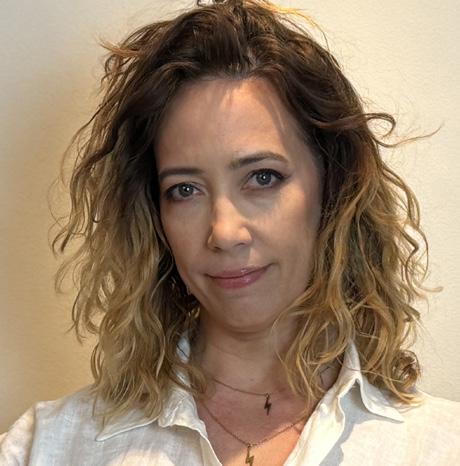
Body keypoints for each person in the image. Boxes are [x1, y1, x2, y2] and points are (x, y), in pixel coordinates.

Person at [1, 0, 459, 464]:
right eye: (184, 189)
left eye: (262, 177)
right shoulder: (47, 446)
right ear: (154, 216)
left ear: (334, 187)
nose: (223, 232)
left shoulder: (439, 446)